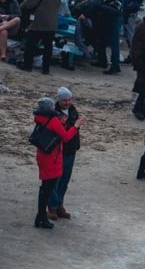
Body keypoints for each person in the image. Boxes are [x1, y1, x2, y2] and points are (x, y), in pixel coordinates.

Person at [32, 96, 83, 229]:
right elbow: (65, 137)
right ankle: (43, 216)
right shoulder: (53, 120)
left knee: (44, 188)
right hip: (52, 158)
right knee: (48, 188)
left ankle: (41, 217)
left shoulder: (40, 118)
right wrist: (76, 126)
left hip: (43, 156)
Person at [46, 87, 80, 221]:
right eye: (64, 100)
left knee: (65, 179)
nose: (67, 103)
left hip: (70, 150)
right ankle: (52, 207)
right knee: (55, 179)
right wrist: (74, 125)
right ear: (59, 100)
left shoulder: (72, 111)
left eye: (69, 99)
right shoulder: (54, 113)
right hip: (58, 151)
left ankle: (59, 204)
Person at [19, 0, 59, 74]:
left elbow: (27, 4)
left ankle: (27, 65)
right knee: (48, 47)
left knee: (30, 44)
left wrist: (20, 6)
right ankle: (46, 69)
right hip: (52, 25)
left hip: (39, 22)